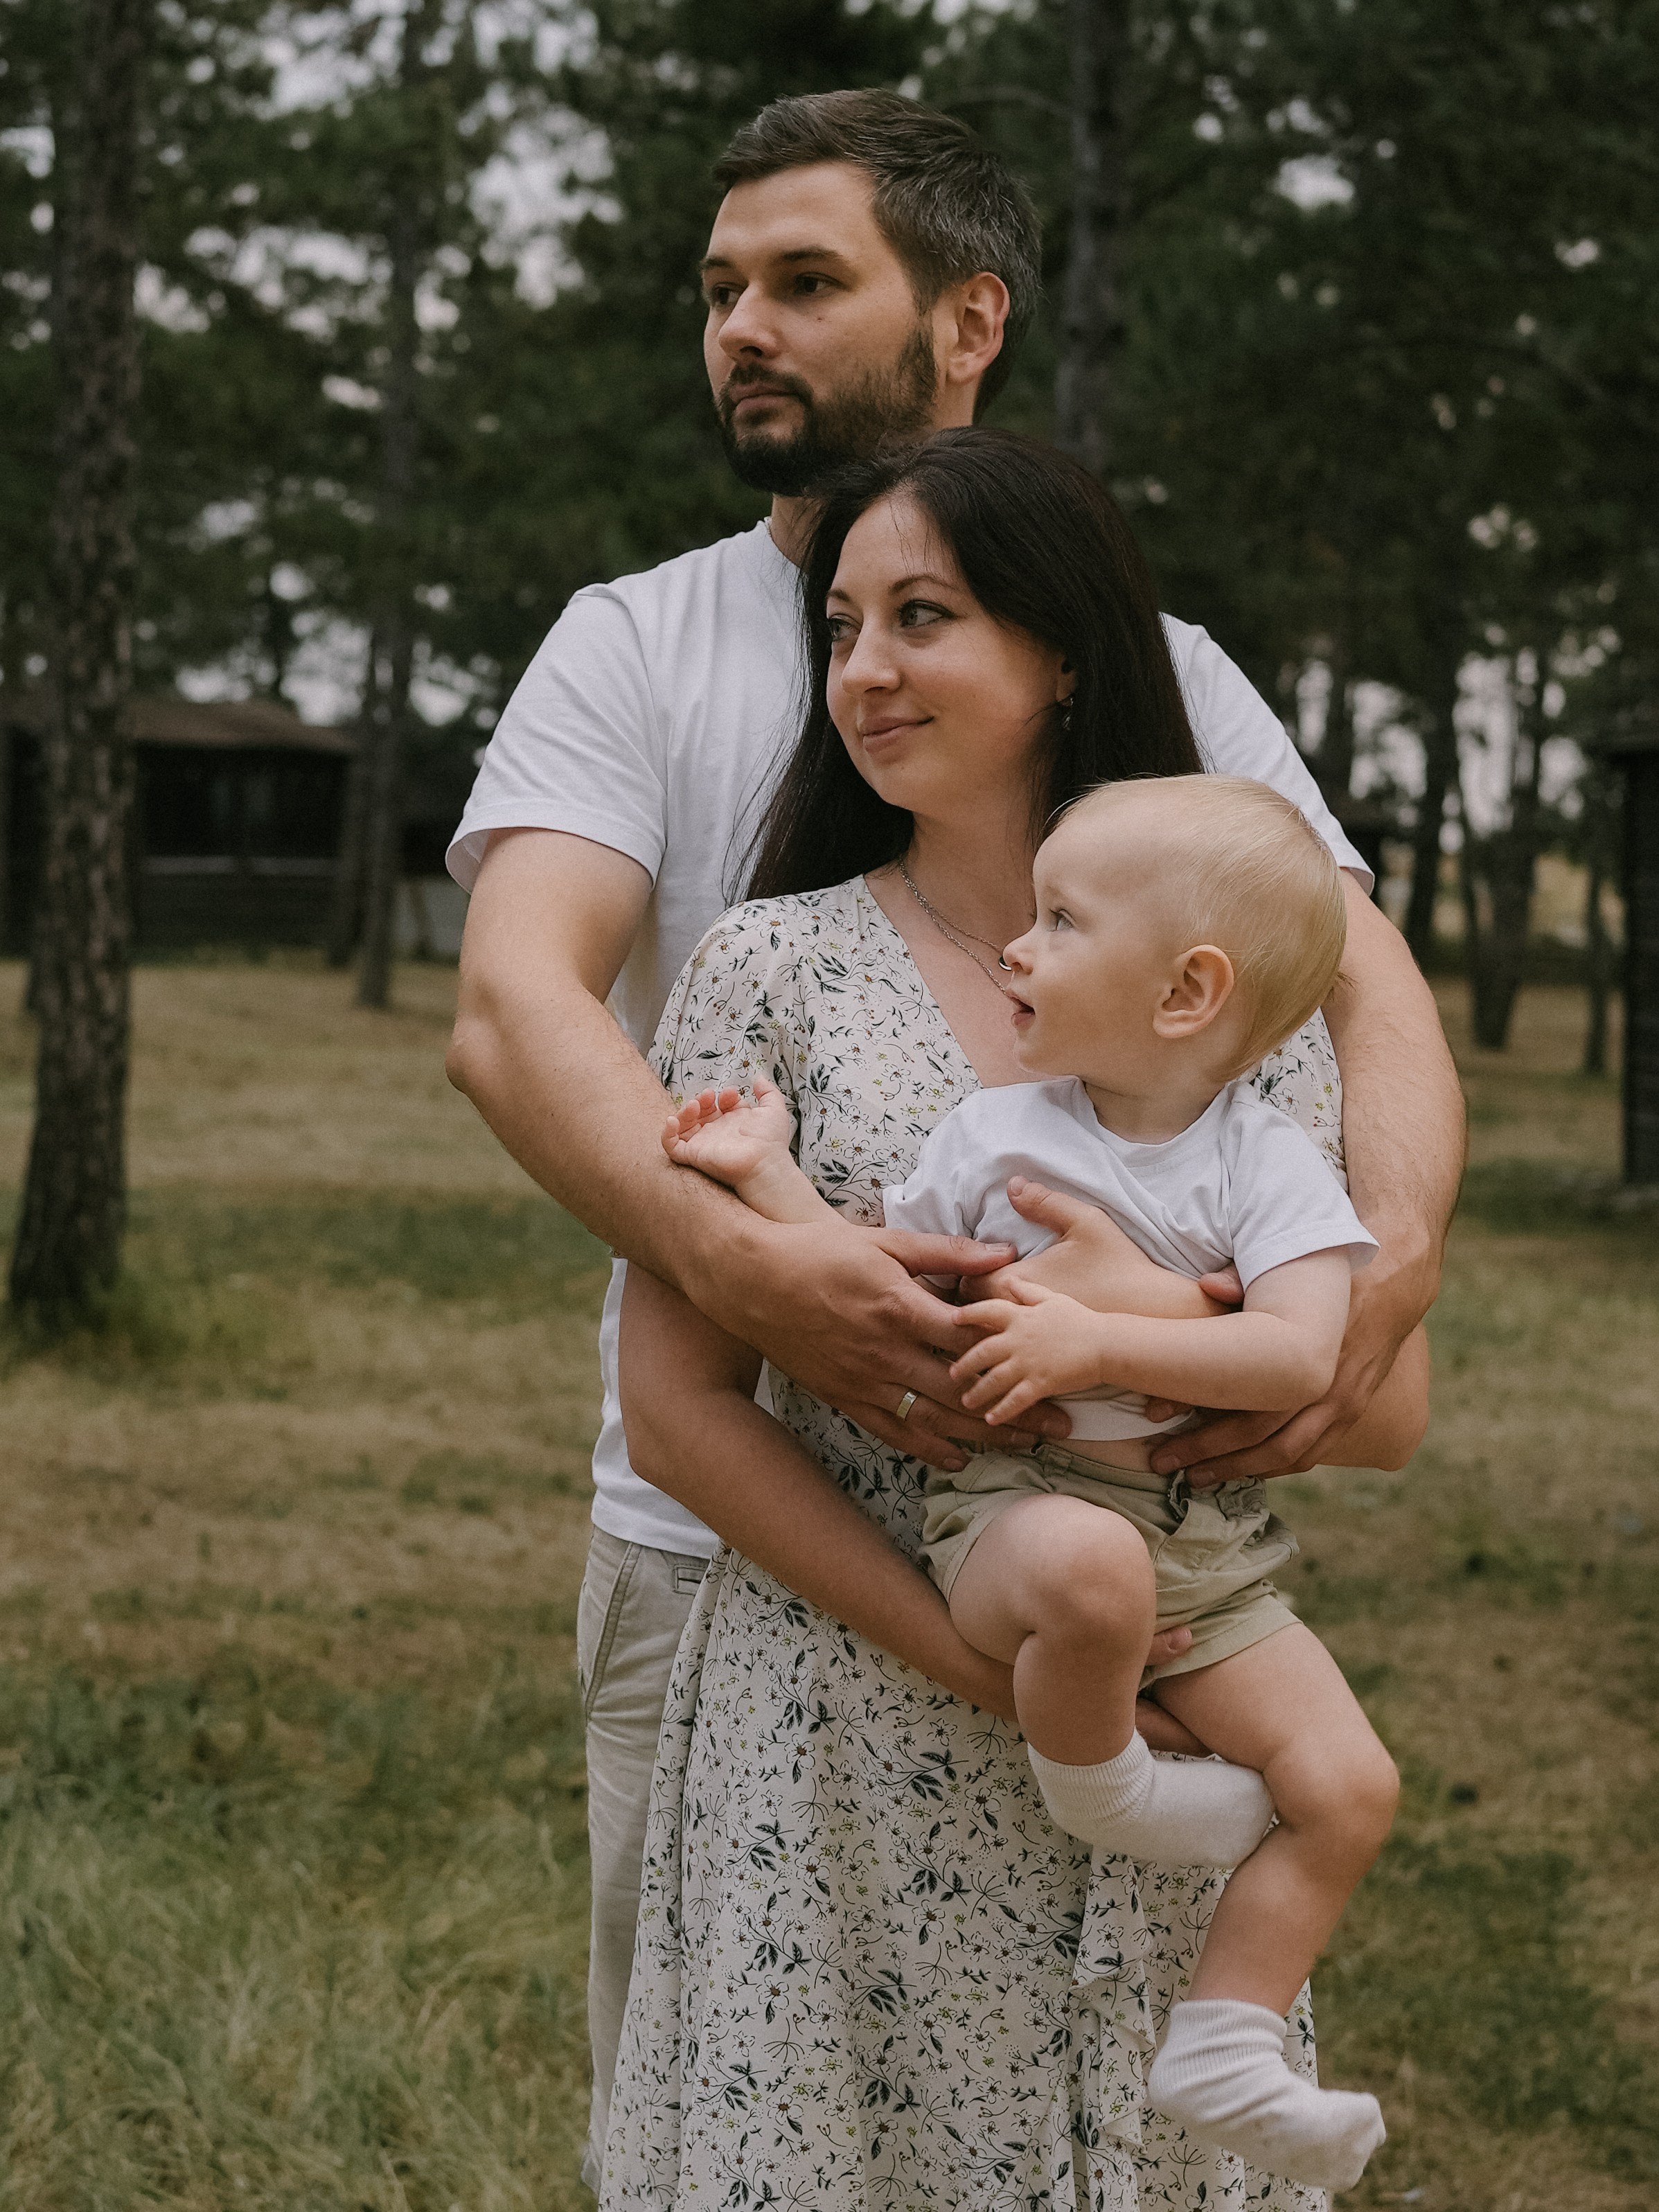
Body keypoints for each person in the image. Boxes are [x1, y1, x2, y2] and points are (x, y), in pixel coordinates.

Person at [443, 89, 1463, 2184]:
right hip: (765, 1595)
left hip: (1169, 1645)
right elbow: (515, 1011)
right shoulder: (648, 676)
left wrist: (1351, 1288)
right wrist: (756, 1261)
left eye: (803, 281)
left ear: (966, 317)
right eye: (717, 288)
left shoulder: (1181, 767)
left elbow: (1351, 1001)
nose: (742, 327)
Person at [603, 430, 1425, 2206]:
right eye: (839, 629)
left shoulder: (1233, 1000)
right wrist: (990, 1664)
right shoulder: (768, 969)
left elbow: (1383, 1397)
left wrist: (1141, 1321)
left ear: (1063, 652)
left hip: (1176, 1715)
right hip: (840, 1729)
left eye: (924, 616)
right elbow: (675, 1409)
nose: (864, 671)